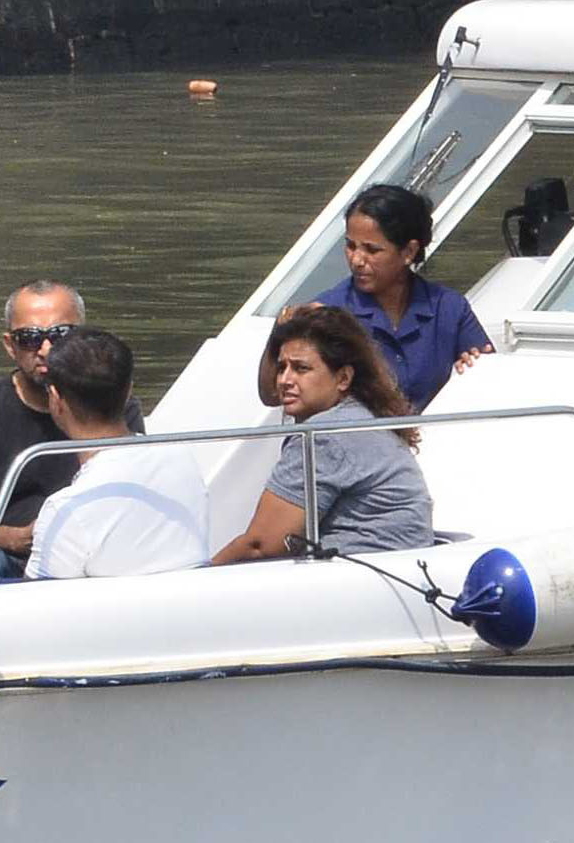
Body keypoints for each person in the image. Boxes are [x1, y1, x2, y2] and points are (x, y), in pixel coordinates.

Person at [0, 280, 140, 581]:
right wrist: (14, 537)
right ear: (10, 345)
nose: (45, 349)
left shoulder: (115, 404)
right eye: (28, 338)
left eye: (61, 335)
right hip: (7, 555)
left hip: (94, 547)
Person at [211, 306, 434, 563]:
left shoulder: (326, 436)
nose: (285, 379)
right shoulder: (363, 419)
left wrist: (199, 575)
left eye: (301, 368)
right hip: (395, 571)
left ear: (343, 378)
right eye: (282, 367)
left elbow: (262, 545)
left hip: (360, 577)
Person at [24, 330, 213, 580]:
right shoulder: (181, 459)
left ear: (56, 399)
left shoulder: (67, 507)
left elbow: (38, 603)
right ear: (128, 392)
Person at [309, 184, 492, 411]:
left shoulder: (450, 308)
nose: (356, 260)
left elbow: (490, 375)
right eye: (350, 246)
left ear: (408, 252)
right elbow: (276, 393)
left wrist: (475, 367)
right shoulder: (328, 312)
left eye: (371, 250)